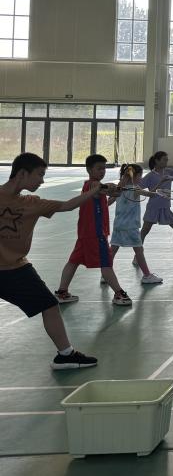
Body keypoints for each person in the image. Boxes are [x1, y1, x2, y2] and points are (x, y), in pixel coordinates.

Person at [0, 152, 102, 369]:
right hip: (13, 269)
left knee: (49, 305)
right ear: (22, 173)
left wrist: (96, 190)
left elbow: (68, 205)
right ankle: (65, 354)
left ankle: (66, 355)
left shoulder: (33, 203)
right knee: (50, 306)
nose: (42, 180)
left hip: (16, 269)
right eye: (39, 174)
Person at [53, 154, 132, 308]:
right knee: (106, 263)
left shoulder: (92, 186)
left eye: (104, 168)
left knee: (73, 261)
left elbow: (114, 193)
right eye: (99, 168)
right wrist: (112, 186)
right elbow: (104, 189)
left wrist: (122, 183)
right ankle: (119, 293)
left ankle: (62, 292)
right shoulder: (93, 185)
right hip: (95, 234)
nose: (102, 171)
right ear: (89, 170)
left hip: (85, 233)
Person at [109, 163, 162, 285]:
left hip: (118, 225)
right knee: (139, 250)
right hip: (131, 226)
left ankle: (105, 274)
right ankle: (147, 275)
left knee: (113, 250)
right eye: (140, 176)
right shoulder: (135, 189)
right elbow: (151, 194)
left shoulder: (119, 189)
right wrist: (161, 190)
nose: (141, 178)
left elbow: (109, 202)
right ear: (135, 176)